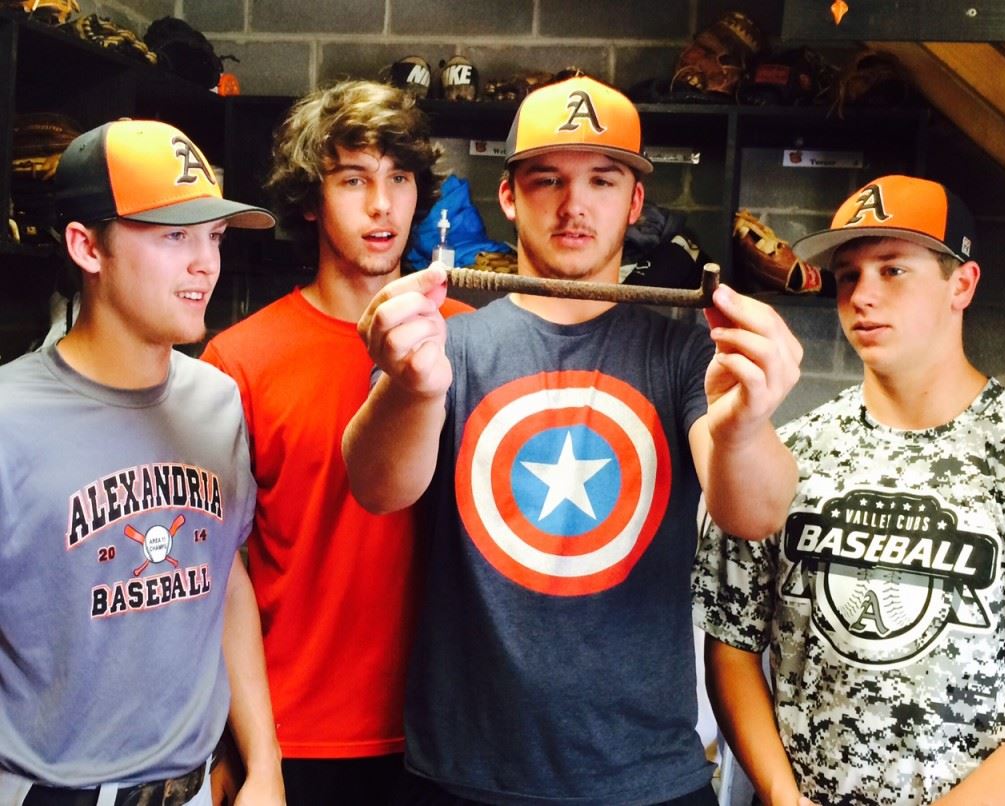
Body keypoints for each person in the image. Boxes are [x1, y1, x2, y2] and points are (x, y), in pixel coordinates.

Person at [343, 74, 803, 805]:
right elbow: (376, 486)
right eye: (547, 180)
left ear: (636, 202)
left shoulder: (682, 354)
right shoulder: (449, 349)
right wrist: (410, 386)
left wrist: (746, 421)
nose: (574, 204)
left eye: (602, 179)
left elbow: (756, 513)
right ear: (508, 197)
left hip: (645, 776)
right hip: (467, 774)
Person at [693, 174, 1005, 804]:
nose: (862, 297)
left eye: (893, 270)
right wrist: (782, 796)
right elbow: (731, 644)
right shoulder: (783, 453)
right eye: (848, 276)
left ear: (963, 284)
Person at [200, 79, 472, 804]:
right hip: (298, 737)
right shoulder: (239, 361)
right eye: (354, 180)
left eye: (400, 179)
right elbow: (221, 578)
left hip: (451, 734)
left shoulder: (472, 340)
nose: (383, 206)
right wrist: (249, 751)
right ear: (311, 199)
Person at [0, 119, 284, 804]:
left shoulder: (216, 401)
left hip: (190, 791)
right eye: (173, 235)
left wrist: (265, 765)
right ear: (86, 246)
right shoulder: (10, 419)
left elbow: (224, 580)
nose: (205, 264)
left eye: (212, 236)